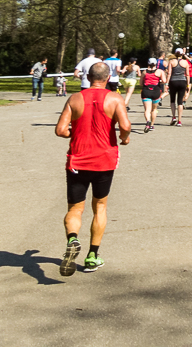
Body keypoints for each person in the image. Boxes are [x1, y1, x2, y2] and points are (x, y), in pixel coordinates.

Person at [55, 61, 130, 276]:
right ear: (108, 78)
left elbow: (60, 130)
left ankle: (72, 239)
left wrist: (75, 133)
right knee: (100, 207)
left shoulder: (75, 98)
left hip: (78, 161)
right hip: (104, 161)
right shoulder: (114, 98)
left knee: (75, 209)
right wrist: (124, 139)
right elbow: (125, 126)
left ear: (87, 77)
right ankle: (92, 256)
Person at [140, 59, 167, 132]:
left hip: (146, 91)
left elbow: (141, 83)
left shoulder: (144, 72)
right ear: (156, 64)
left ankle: (148, 121)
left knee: (147, 110)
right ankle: (152, 125)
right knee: (154, 109)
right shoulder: (160, 71)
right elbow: (164, 81)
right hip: (156, 91)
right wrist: (158, 81)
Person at [166, 48, 189, 126]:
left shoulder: (171, 62)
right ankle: (179, 120)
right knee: (180, 101)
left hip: (173, 81)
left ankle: (173, 116)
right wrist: (188, 84)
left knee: (172, 100)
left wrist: (166, 84)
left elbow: (169, 73)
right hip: (182, 81)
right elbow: (188, 74)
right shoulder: (185, 62)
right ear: (182, 54)